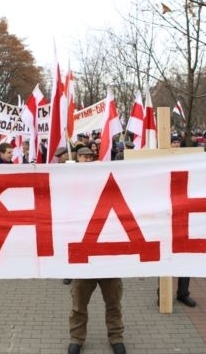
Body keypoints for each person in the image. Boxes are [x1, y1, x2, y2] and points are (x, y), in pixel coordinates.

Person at [68, 146, 125, 354]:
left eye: (90, 157)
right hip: (84, 258)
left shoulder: (108, 183)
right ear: (77, 158)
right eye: (83, 156)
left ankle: (116, 336)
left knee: (113, 303)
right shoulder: (71, 184)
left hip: (108, 256)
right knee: (78, 304)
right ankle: (76, 338)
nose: (86, 159)